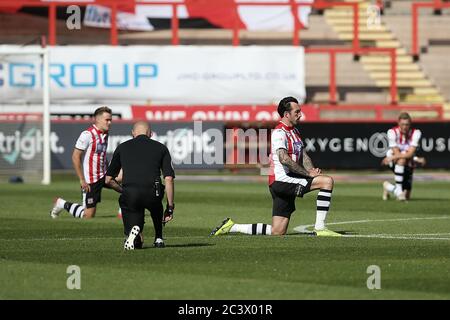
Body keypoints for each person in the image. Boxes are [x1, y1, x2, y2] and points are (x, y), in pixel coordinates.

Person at [210, 96, 341, 237]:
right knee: (327, 181)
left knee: (277, 231)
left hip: (282, 181)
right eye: (297, 112)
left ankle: (231, 227)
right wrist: (307, 174)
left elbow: (303, 154)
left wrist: (311, 169)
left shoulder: (294, 131)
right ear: (286, 114)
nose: (300, 115)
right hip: (282, 181)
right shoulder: (279, 132)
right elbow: (284, 159)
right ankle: (320, 227)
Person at [105, 121, 175, 250]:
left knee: (129, 209)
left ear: (133, 133)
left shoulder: (122, 147)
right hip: (153, 192)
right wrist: (170, 207)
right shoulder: (161, 148)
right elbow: (169, 178)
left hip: (131, 193)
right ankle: (158, 238)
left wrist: (122, 190)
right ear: (151, 133)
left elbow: (108, 179)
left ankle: (133, 234)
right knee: (157, 206)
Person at [50, 106, 122, 219]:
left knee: (125, 177)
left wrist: (109, 169)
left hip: (103, 175)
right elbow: (75, 156)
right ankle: (61, 203)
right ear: (97, 120)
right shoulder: (87, 135)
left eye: (110, 120)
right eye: (107, 120)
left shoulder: (105, 133)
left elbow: (101, 154)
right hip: (91, 179)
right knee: (88, 215)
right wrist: (82, 179)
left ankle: (124, 210)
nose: (110, 122)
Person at [381, 112, 426, 201]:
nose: (405, 127)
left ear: (410, 124)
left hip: (407, 161)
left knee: (407, 196)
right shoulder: (392, 132)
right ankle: (399, 192)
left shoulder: (416, 133)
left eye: (407, 124)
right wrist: (416, 158)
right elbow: (397, 153)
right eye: (403, 124)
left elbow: (410, 153)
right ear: (398, 123)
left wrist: (414, 158)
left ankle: (387, 186)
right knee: (401, 160)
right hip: (395, 162)